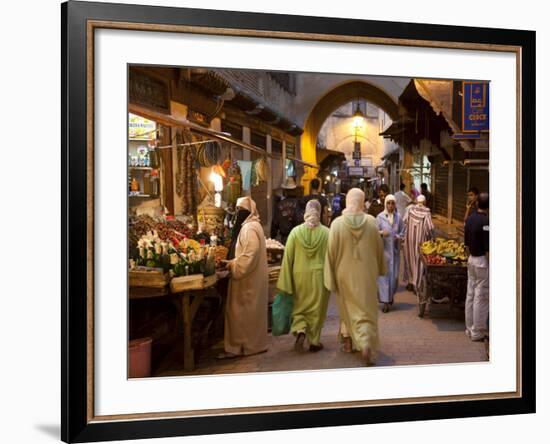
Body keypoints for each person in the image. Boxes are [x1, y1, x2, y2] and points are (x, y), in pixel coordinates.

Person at [324, 188, 387, 365]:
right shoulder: (371, 222)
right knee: (366, 310)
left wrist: (330, 276)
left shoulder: (336, 224)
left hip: (344, 274)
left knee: (348, 308)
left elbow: (331, 253)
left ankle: (348, 342)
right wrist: (381, 268)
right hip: (366, 273)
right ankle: (366, 341)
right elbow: (379, 248)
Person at [277, 200, 330, 352]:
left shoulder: (295, 233)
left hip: (298, 275)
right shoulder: (327, 233)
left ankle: (300, 329)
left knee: (300, 306)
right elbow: (331, 257)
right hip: (319, 276)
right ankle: (314, 341)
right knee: (317, 309)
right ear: (319, 212)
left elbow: (288, 258)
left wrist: (285, 280)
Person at [219, 196, 268, 359]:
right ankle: (249, 345)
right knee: (247, 314)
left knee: (241, 314)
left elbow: (249, 256)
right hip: (251, 280)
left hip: (247, 282)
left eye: (241, 210)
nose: (238, 213)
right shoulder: (253, 226)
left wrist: (233, 265)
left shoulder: (249, 229)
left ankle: (242, 346)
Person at [464, 192, 489, 342]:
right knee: (481, 296)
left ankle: (469, 328)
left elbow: (466, 243)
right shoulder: (486, 222)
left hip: (471, 259)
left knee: (470, 294)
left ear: (477, 204)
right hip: (481, 261)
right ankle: (477, 331)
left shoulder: (470, 219)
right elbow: (488, 249)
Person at [377, 195, 405, 313]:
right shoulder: (379, 217)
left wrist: (397, 237)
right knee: (384, 277)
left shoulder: (398, 218)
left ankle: (390, 296)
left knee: (393, 277)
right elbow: (373, 232)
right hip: (384, 252)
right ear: (385, 204)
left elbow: (403, 232)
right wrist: (381, 233)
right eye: (388, 203)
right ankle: (385, 302)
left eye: (392, 203)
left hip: (395, 252)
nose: (390, 206)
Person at [403, 194, 434, 293]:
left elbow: (404, 222)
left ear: (416, 201)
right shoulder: (426, 212)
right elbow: (430, 228)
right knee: (419, 261)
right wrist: (432, 238)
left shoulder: (410, 210)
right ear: (424, 202)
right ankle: (418, 284)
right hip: (421, 242)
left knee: (410, 259)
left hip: (409, 241)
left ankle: (411, 282)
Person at [270, 177, 300, 244]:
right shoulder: (300, 203)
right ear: (295, 190)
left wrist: (272, 237)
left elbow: (275, 223)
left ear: (285, 190)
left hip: (285, 238)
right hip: (298, 237)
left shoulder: (279, 205)